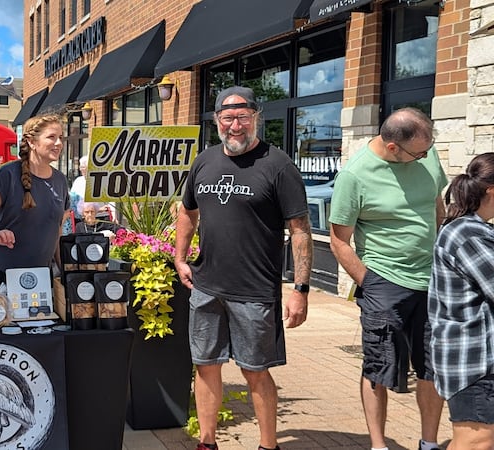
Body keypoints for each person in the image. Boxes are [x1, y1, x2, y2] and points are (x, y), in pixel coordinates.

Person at [175, 86, 313, 450]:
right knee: (205, 365)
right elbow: (188, 211)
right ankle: (207, 443)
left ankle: (268, 445)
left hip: (254, 291)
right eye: (227, 118)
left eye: (243, 117)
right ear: (216, 120)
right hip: (207, 286)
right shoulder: (204, 161)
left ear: (256, 118)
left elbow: (300, 230)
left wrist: (300, 289)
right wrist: (180, 256)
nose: (235, 126)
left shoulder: (278, 165)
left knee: (255, 371)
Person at [329, 107, 447, 450]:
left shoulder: (426, 152)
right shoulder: (355, 175)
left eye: (427, 149)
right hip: (385, 281)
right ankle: (379, 445)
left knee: (432, 367)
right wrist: (370, 284)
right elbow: (339, 240)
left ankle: (428, 443)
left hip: (431, 281)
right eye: (419, 153)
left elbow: (436, 205)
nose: (425, 157)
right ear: (393, 147)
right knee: (379, 367)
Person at [428, 152, 494, 450]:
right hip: (475, 361)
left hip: (474, 358)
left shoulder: (473, 228)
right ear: (491, 190)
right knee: (478, 441)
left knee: (471, 440)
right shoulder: (468, 234)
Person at [0, 113, 70, 287]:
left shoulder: (61, 180)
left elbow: (56, 234)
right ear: (31, 142)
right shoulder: (8, 174)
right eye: (51, 137)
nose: (59, 143)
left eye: (61, 137)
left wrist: (66, 273)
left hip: (39, 277)